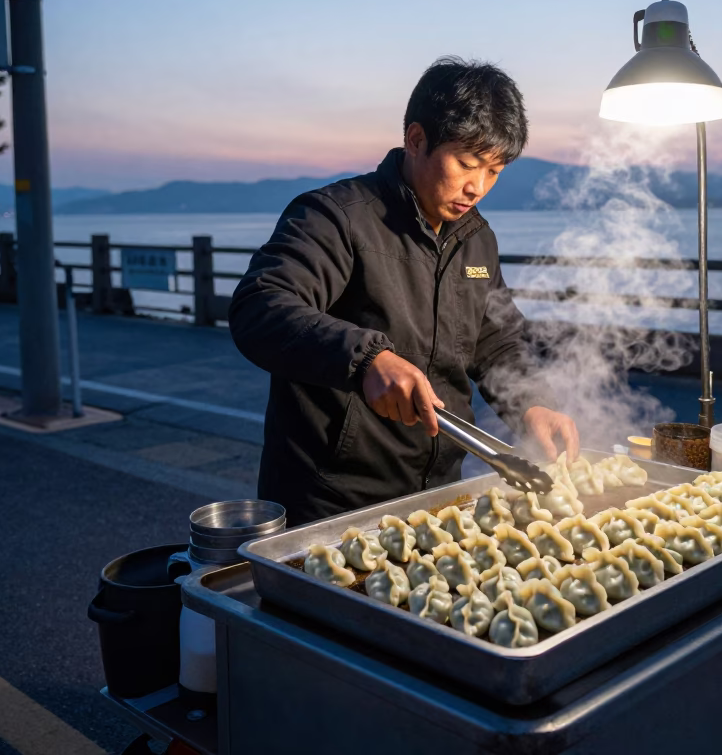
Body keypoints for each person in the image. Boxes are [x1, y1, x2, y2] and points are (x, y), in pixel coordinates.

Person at [229, 57, 579, 526]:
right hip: (334, 499)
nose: (477, 187)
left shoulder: (476, 238)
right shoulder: (337, 216)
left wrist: (532, 402)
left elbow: (497, 341)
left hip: (441, 495)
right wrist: (366, 359)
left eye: (494, 171)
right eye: (467, 163)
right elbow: (260, 305)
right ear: (416, 140)